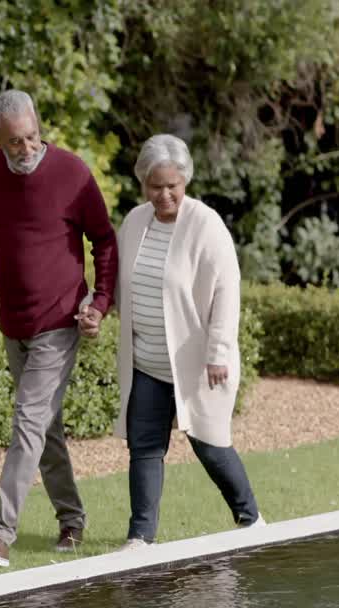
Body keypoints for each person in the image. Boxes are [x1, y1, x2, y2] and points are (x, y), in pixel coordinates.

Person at [0, 89, 118, 568]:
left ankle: (1, 533)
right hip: (14, 321)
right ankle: (72, 518)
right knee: (44, 426)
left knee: (27, 421)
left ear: (39, 129)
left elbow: (104, 240)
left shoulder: (72, 174)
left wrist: (100, 303)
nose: (24, 150)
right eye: (13, 143)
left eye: (31, 138)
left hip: (59, 321)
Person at [78, 133, 262, 551]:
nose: (163, 195)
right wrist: (95, 307)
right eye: (154, 186)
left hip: (196, 365)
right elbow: (119, 282)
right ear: (143, 182)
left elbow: (227, 292)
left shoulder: (206, 225)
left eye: (171, 186)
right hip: (147, 363)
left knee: (211, 446)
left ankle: (251, 518)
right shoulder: (135, 222)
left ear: (186, 182)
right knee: (143, 448)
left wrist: (218, 354)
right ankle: (140, 536)